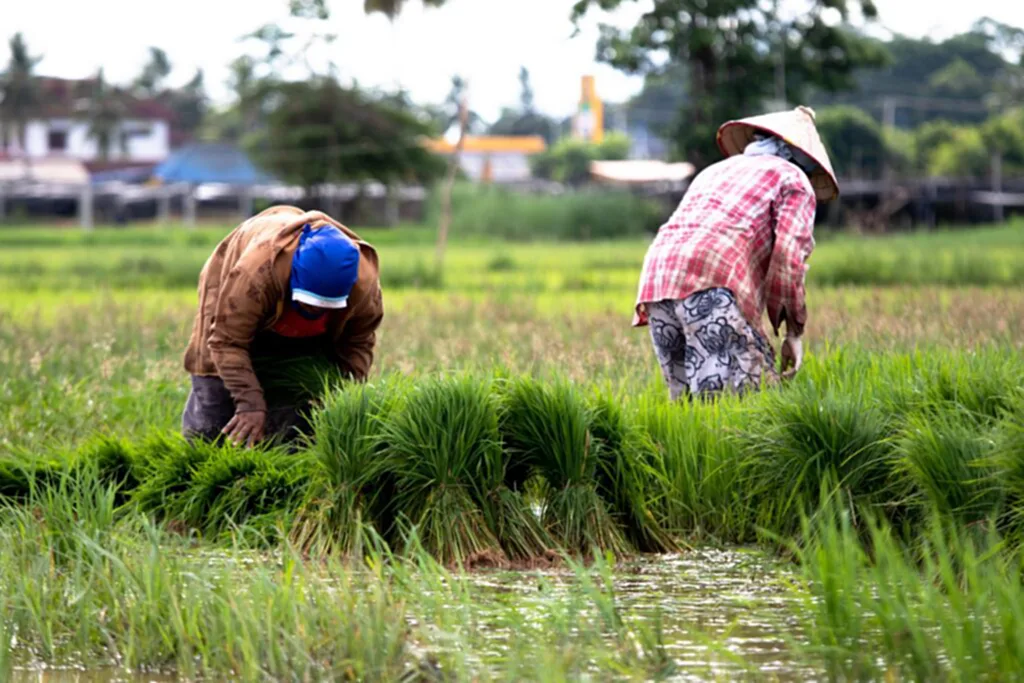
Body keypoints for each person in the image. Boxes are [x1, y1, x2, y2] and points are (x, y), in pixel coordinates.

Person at [634, 106, 839, 401]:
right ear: (802, 158)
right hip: (713, 281)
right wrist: (794, 331)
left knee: (684, 406)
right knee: (740, 405)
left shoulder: (714, 170)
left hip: (657, 281)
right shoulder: (794, 180)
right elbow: (788, 259)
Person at [181, 205, 383, 447]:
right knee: (213, 416)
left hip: (300, 323)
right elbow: (226, 341)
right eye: (310, 305)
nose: (316, 312)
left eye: (326, 307)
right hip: (235, 287)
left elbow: (358, 344)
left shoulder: (364, 287)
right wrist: (250, 404)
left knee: (297, 415)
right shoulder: (256, 274)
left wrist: (344, 399)